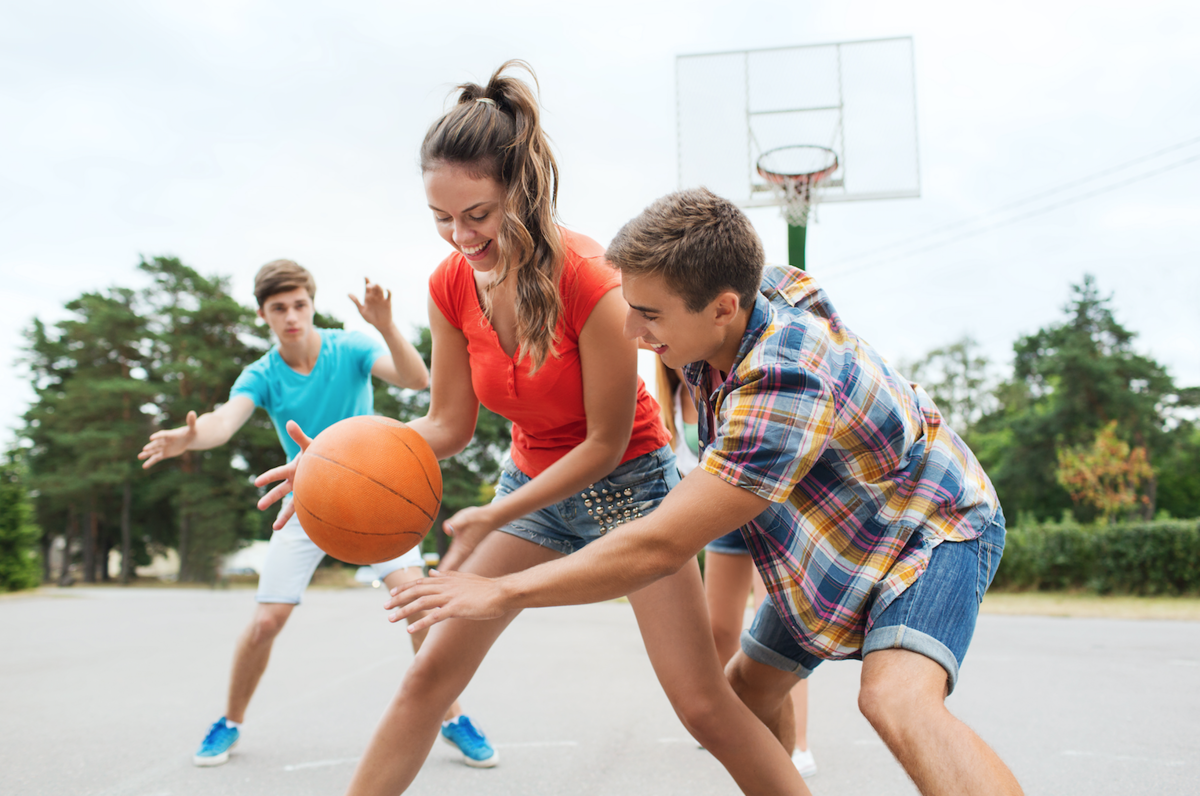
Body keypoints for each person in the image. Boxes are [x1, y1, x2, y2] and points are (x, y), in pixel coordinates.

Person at [255, 63, 808, 796]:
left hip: (631, 491)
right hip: (530, 489)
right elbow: (448, 424)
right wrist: (332, 459)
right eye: (442, 219)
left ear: (521, 187)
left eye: (477, 214)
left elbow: (603, 445)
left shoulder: (595, 281)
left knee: (704, 706)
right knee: (427, 682)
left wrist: (493, 512)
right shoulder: (449, 284)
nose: (460, 236)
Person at [390, 188, 1025, 796]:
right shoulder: (745, 295)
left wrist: (500, 590)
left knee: (894, 700)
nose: (633, 331)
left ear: (722, 307)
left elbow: (659, 544)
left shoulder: (782, 384)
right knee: (744, 696)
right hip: (830, 537)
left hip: (926, 526)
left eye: (650, 315)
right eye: (632, 306)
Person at [138, 261, 496, 769]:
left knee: (417, 605)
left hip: (376, 497)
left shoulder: (347, 348)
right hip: (305, 502)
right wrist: (191, 437)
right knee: (266, 622)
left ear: (311, 303)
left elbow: (416, 379)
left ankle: (452, 715)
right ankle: (230, 720)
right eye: (279, 308)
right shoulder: (262, 373)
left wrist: (385, 324)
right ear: (263, 313)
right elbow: (223, 421)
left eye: (299, 305)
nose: (291, 316)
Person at [655, 358, 817, 779]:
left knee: (780, 636)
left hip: (769, 513)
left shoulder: (728, 377)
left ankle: (798, 744)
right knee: (719, 631)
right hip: (720, 522)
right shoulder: (670, 400)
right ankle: (737, 719)